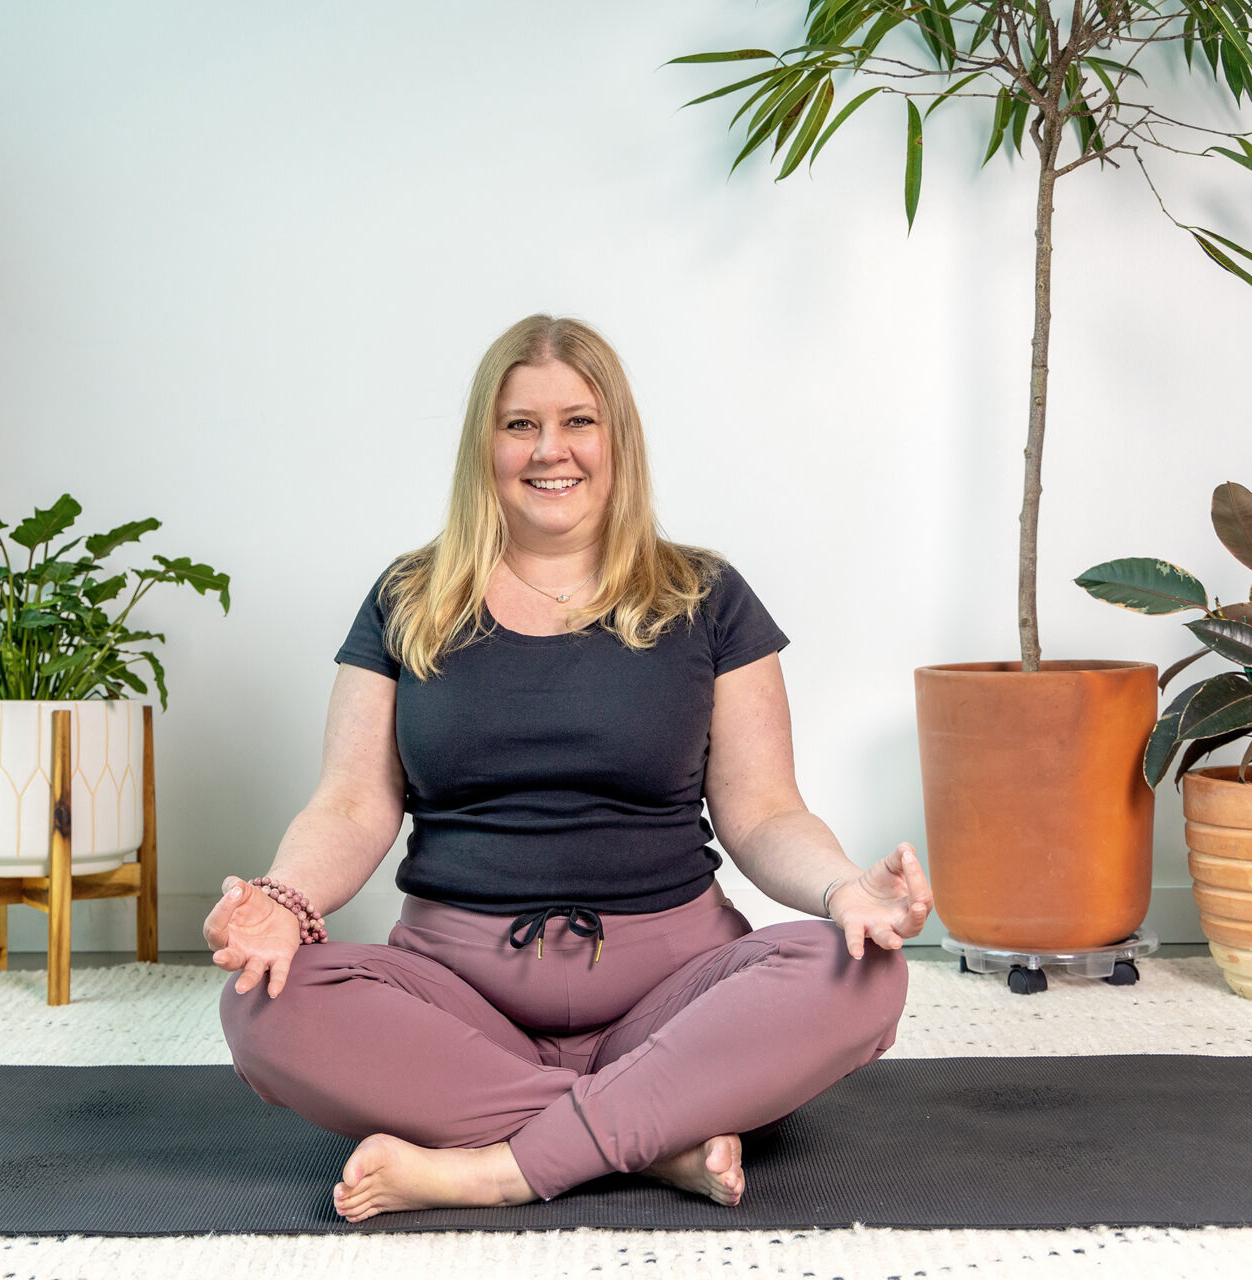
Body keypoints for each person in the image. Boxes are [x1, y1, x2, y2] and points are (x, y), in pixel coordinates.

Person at [208, 314, 931, 1224]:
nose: (552, 451)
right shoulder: (408, 598)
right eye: (520, 425)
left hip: (675, 997)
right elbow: (351, 805)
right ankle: (653, 1135)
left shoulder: (707, 596)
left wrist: (842, 893)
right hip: (455, 1000)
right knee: (265, 1008)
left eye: (579, 421)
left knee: (864, 968)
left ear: (616, 437)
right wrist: (281, 901)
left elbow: (763, 812)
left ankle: (489, 1168)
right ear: (486, 443)